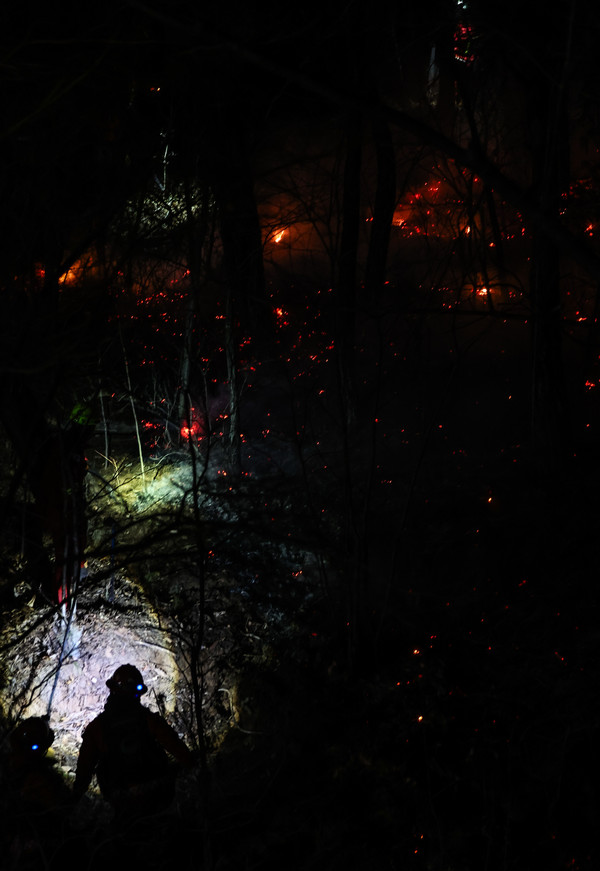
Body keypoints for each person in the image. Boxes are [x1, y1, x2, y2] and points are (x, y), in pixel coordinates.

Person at [73, 664, 194, 825]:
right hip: (157, 793)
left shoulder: (98, 727)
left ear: (112, 690)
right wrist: (194, 766)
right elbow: (176, 747)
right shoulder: (148, 719)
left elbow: (85, 768)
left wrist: (74, 799)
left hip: (120, 798)